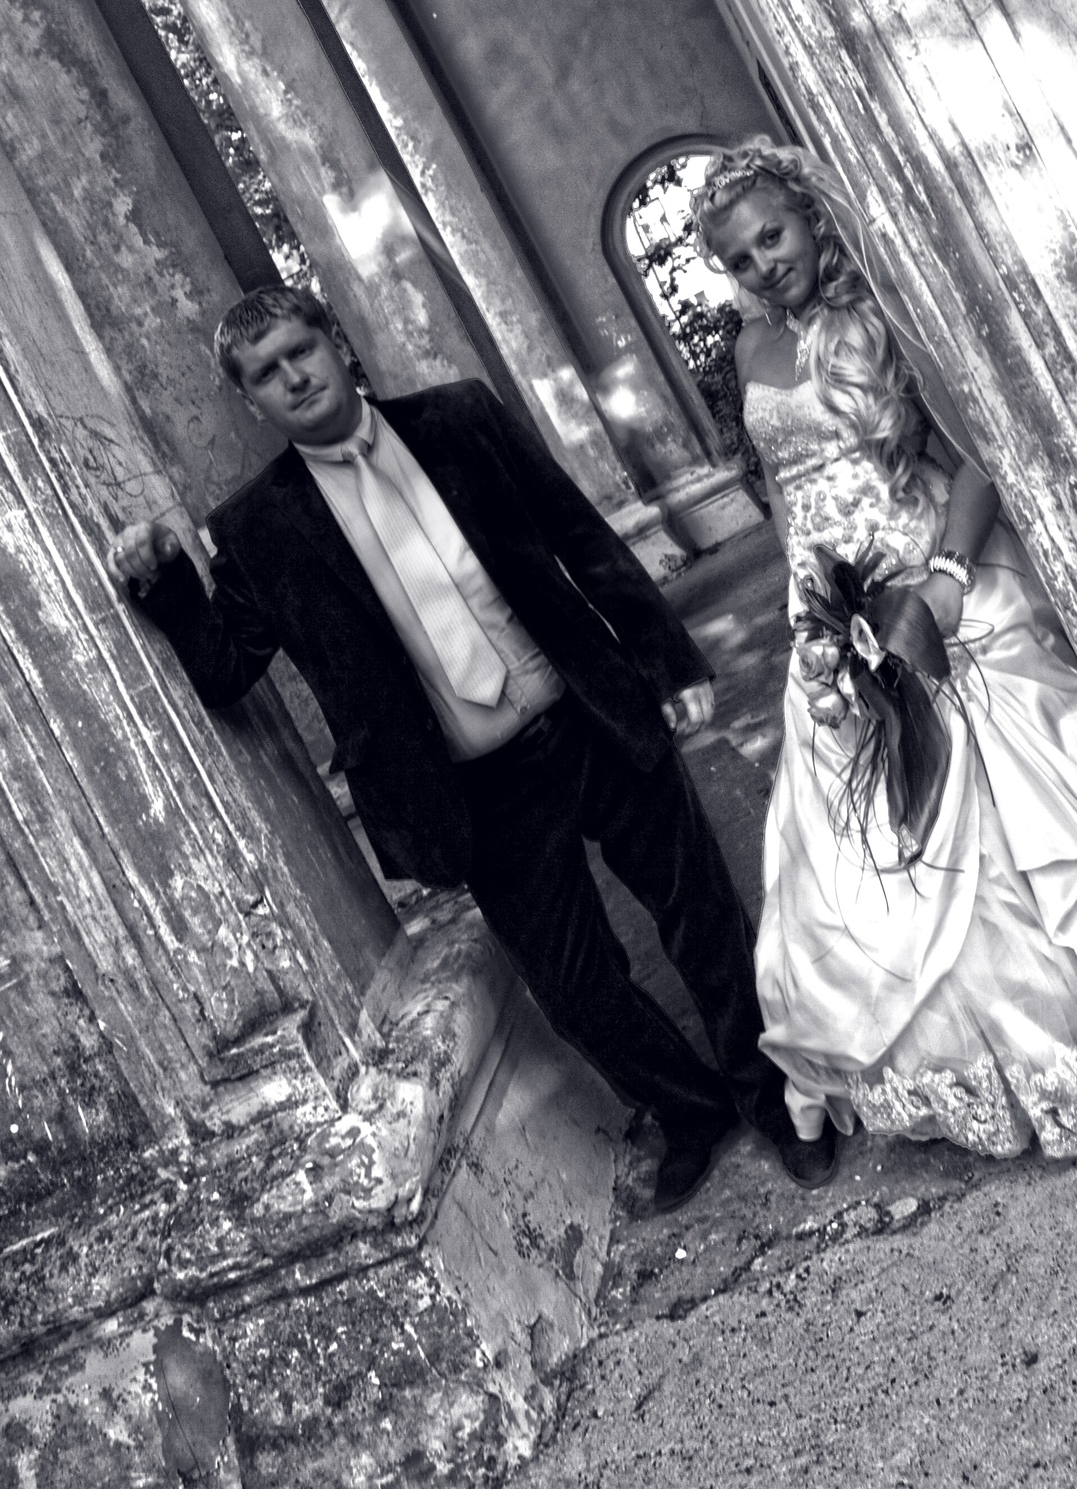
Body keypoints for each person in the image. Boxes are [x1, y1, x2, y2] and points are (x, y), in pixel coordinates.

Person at [107, 285, 833, 1209]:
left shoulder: (459, 418)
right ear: (251, 401)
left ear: (336, 344)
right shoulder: (256, 530)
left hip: (589, 714)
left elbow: (577, 534)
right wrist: (165, 579)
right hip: (479, 791)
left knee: (702, 914)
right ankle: (691, 1112)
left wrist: (665, 660)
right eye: (266, 375)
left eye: (301, 351)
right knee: (576, 988)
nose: (294, 378)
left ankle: (773, 1097)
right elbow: (224, 668)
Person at [692, 139, 1077, 1162]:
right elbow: (784, 492)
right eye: (739, 258)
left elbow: (975, 455)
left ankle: (1044, 1044)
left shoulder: (884, 310)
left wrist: (947, 579)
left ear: (809, 217)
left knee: (974, 813)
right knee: (858, 831)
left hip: (928, 582)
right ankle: (939, 1064)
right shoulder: (748, 352)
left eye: (772, 236)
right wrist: (808, 605)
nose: (762, 265)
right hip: (827, 616)